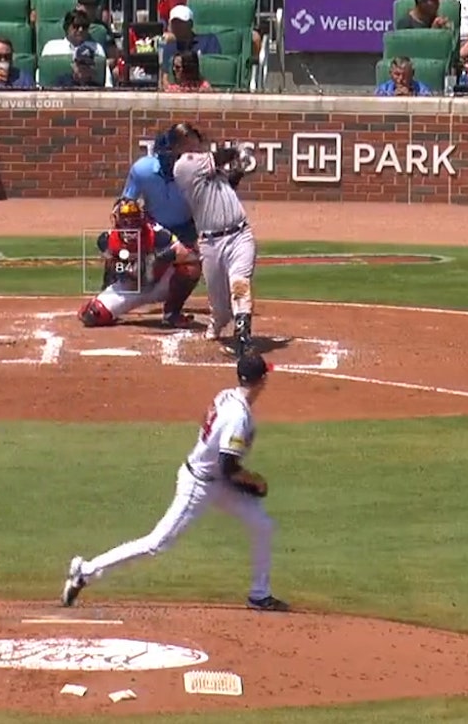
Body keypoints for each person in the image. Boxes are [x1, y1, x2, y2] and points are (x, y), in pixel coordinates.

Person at [60, 352, 289, 613]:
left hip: (216, 480)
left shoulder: (227, 395)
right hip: (200, 485)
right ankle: (85, 571)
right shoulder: (239, 416)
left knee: (262, 524)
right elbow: (229, 466)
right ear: (262, 380)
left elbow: (208, 422)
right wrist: (254, 481)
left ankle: (260, 595)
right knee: (157, 543)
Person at [170, 122, 260, 358]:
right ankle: (218, 322)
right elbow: (221, 156)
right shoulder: (184, 166)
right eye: (189, 139)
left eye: (195, 138)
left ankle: (243, 336)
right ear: (178, 145)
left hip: (240, 235)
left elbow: (226, 186)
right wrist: (238, 150)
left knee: (240, 283)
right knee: (220, 307)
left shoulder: (202, 165)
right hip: (211, 244)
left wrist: (238, 170)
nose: (196, 142)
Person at [76, 199, 203, 328]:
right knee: (91, 316)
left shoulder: (157, 234)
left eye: (134, 219)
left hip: (160, 283)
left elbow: (186, 255)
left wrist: (158, 259)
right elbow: (110, 268)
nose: (130, 224)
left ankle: (172, 313)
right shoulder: (107, 241)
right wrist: (108, 289)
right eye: (126, 219)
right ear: (116, 219)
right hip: (130, 287)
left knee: (191, 268)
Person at [161, 5, 221, 71]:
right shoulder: (169, 48)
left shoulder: (209, 42)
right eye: (174, 23)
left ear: (191, 24)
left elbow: (215, 70)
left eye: (181, 22)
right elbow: (165, 77)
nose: (177, 26)